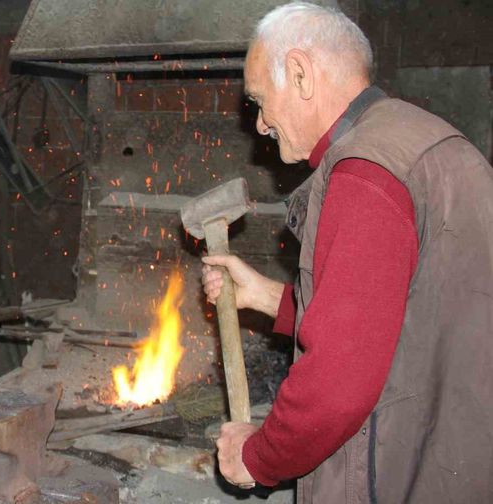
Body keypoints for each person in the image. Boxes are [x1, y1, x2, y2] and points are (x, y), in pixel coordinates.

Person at [201, 2, 493, 502]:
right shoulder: (424, 138)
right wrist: (268, 296)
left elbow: (337, 387)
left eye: (259, 101)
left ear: (300, 74)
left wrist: (257, 456)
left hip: (401, 473)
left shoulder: (363, 173)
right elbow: (396, 318)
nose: (261, 124)